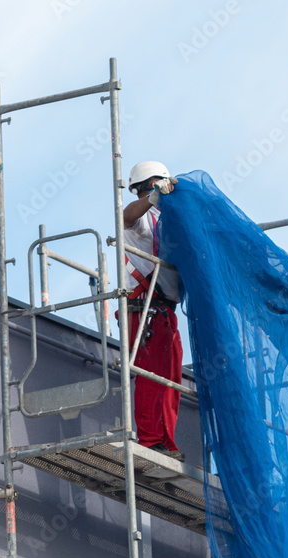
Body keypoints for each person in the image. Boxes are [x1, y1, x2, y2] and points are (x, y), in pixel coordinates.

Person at [120, 161, 184, 460]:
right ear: (151, 185)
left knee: (169, 381)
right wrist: (153, 197)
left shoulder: (168, 219)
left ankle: (165, 442)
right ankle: (150, 441)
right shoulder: (142, 215)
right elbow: (126, 216)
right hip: (145, 308)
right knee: (151, 376)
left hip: (164, 311)